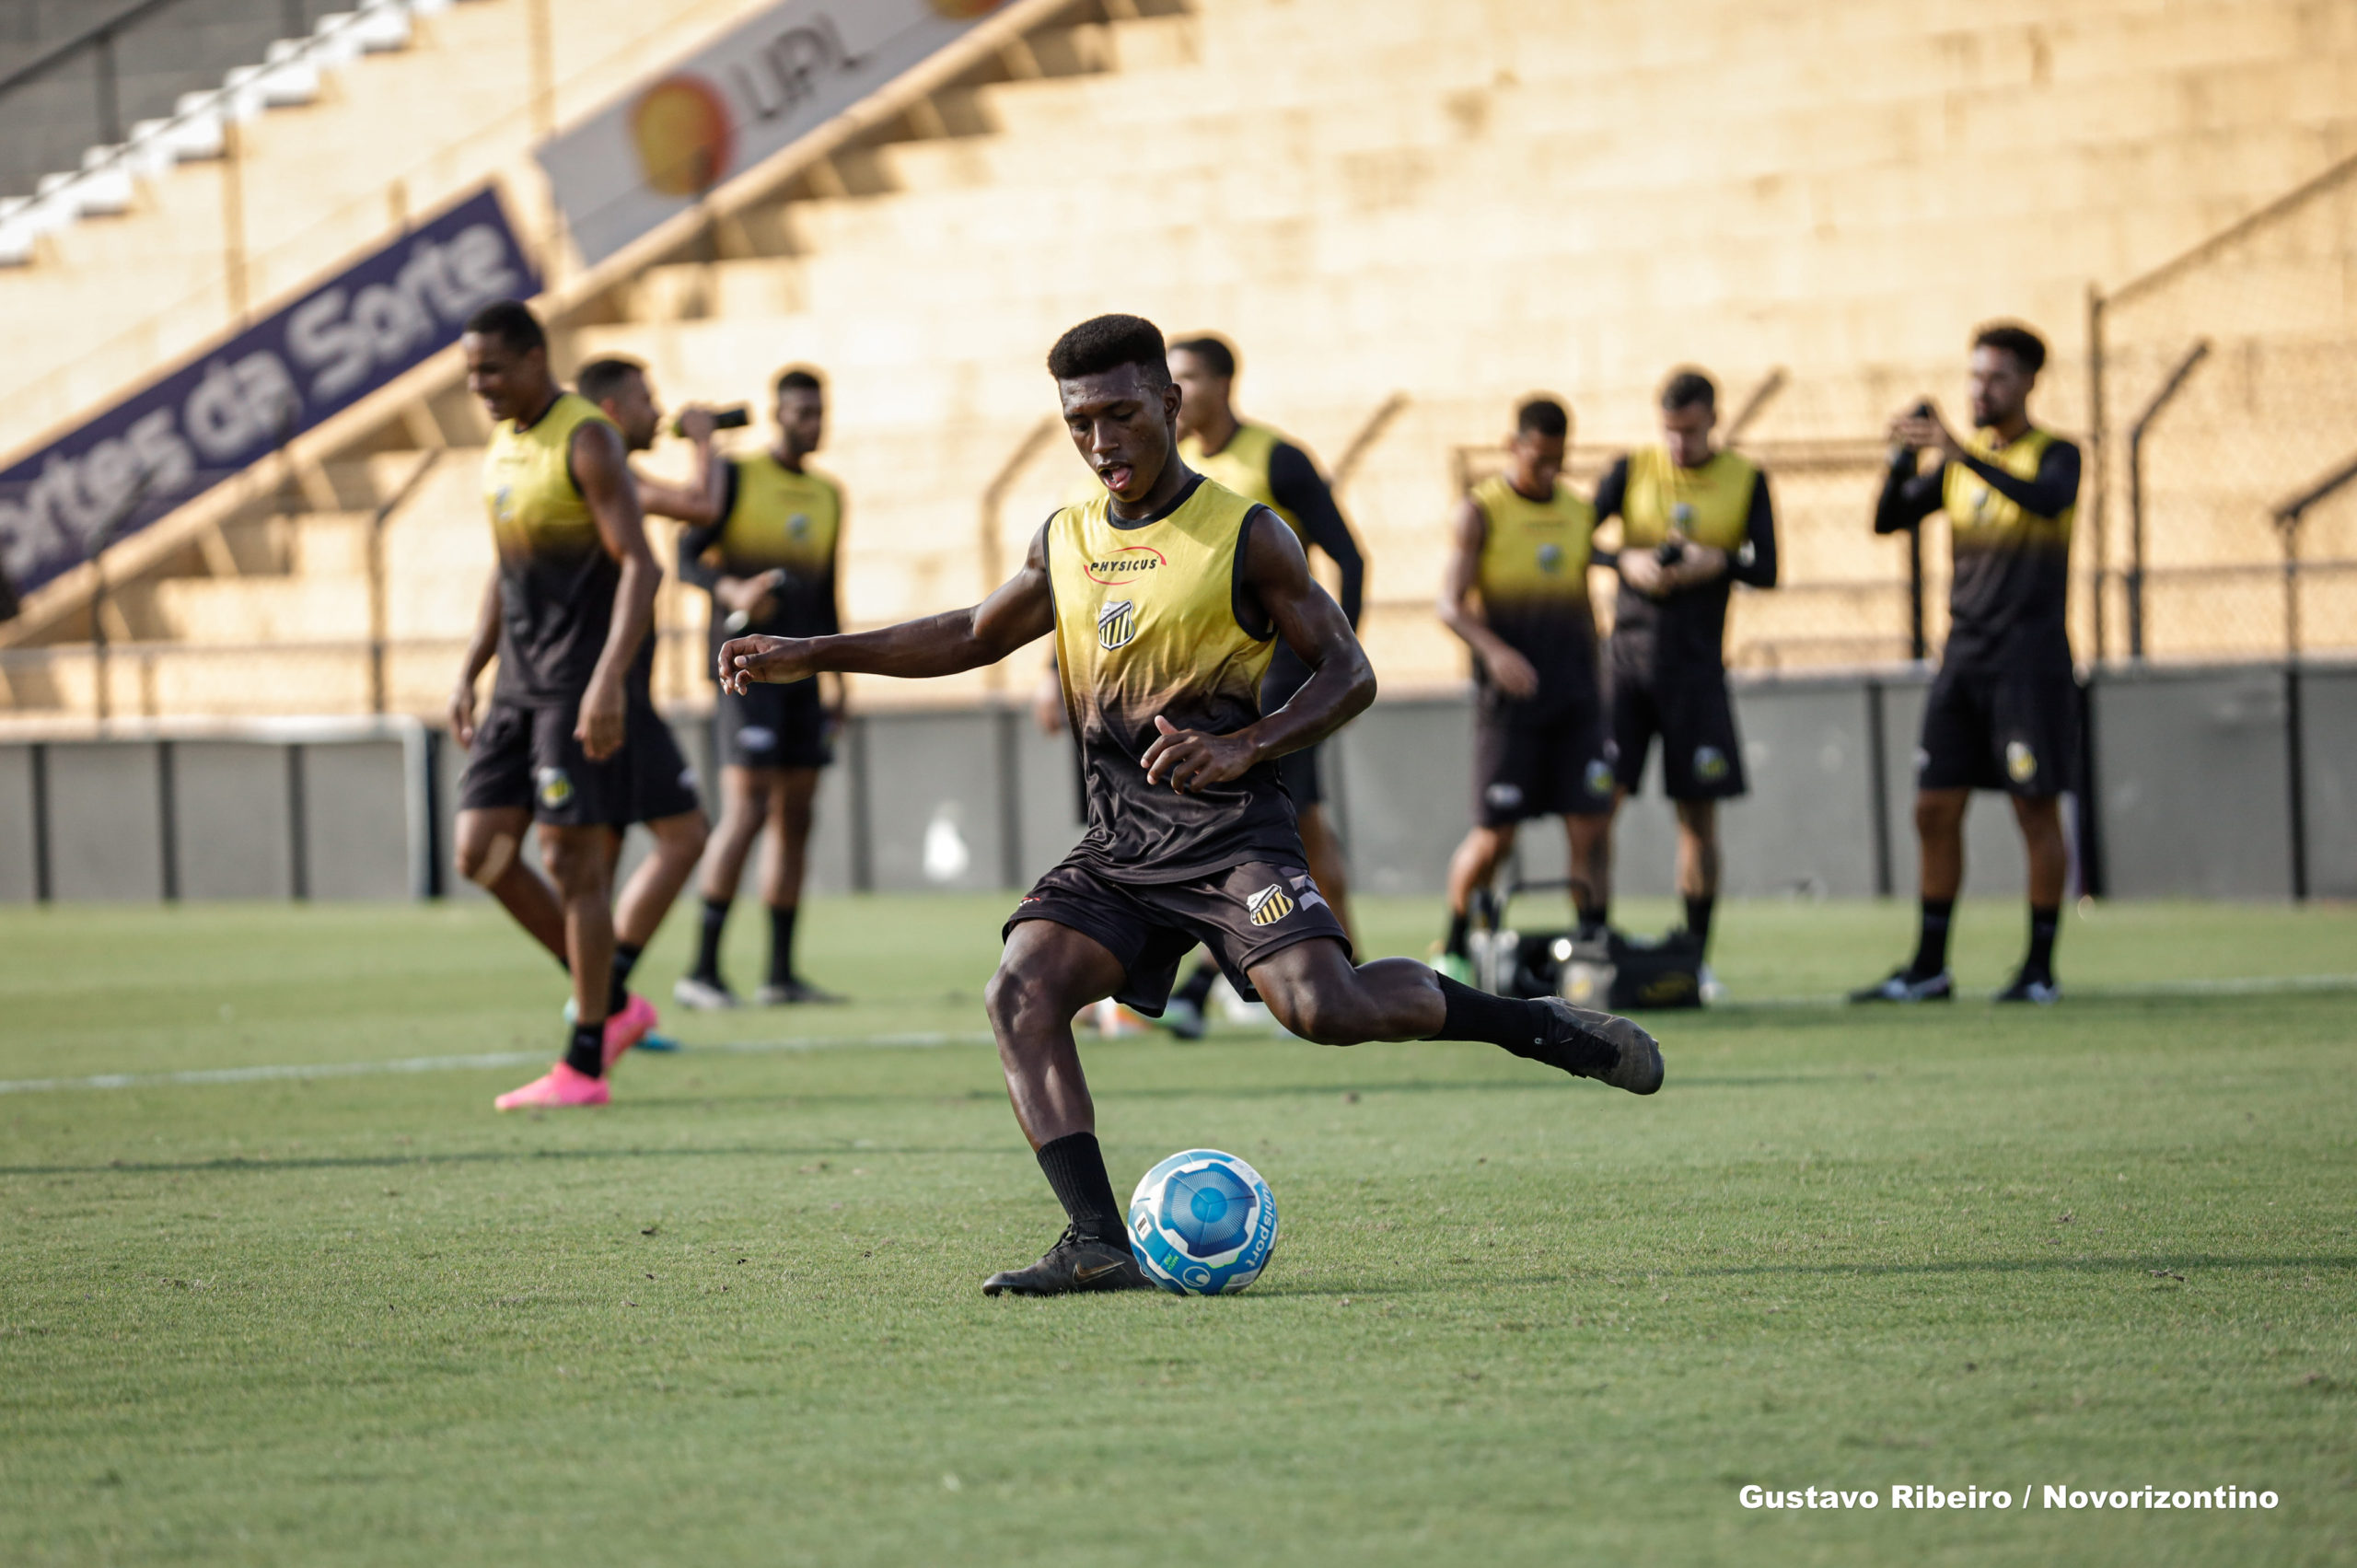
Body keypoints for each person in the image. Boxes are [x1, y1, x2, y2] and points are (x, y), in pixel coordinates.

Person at [717, 314, 1664, 1297]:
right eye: (1080, 424)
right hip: (1123, 845)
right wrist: (809, 651)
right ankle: (1093, 1238)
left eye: (1121, 414)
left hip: (1230, 837)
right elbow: (969, 631)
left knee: (1323, 1008)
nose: (1101, 443)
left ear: (1169, 404)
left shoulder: (1245, 533)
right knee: (1020, 990)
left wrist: (1244, 743)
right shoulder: (1068, 536)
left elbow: (1351, 672)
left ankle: (1533, 1024)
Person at [447, 302, 706, 1111]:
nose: (480, 386)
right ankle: (610, 1000)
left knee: (574, 862)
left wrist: (604, 681)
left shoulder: (585, 439)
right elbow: (506, 569)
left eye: (491, 369)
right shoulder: (502, 447)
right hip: (517, 687)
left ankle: (584, 1060)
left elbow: (641, 567)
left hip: (573, 687)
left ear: (533, 359)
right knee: (480, 851)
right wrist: (471, 666)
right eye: (471, 373)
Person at [1852, 322, 2083, 1005]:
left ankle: (2038, 968)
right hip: (1963, 661)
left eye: (1997, 378)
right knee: (1932, 808)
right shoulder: (1960, 463)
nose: (1982, 390)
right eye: (1975, 376)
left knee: (2035, 809)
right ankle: (1929, 967)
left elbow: (2047, 500)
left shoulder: (2057, 454)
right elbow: (1889, 518)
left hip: (2029, 664)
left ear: (2029, 383)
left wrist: (1959, 453)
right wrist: (1902, 457)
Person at [1161, 332, 1367, 1039]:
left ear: (1222, 382)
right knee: (1276, 819)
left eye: (1185, 375)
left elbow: (1349, 556)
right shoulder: (1173, 469)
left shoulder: (1275, 458)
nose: (1175, 390)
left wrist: (1332, 659)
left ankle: (1308, 968)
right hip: (1203, 681)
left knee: (1286, 818)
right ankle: (1321, 964)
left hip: (1277, 676)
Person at [667, 366, 848, 1007]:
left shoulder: (829, 495)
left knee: (796, 819)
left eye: (818, 411)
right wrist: (732, 589)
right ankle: (703, 969)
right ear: (777, 414)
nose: (811, 422)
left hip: (804, 678)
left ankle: (779, 974)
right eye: (800, 411)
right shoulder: (739, 477)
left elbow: (828, 595)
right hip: (746, 675)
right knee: (745, 813)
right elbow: (686, 557)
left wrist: (840, 685)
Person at [1591, 368, 1778, 981]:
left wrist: (1717, 561)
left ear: (1713, 420)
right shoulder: (1631, 469)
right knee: (1598, 806)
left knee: (1697, 818)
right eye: (1670, 431)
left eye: (1691, 432)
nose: (1679, 445)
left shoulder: (1746, 480)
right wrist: (1627, 559)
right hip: (1626, 669)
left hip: (1697, 673)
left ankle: (1696, 957)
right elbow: (1577, 541)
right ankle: (1595, 944)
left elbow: (1768, 568)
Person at [1434, 397, 1613, 979]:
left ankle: (1591, 945)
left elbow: (1584, 603)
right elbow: (1451, 605)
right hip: (1509, 706)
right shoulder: (1481, 511)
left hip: (1576, 699)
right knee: (1494, 837)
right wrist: (1497, 652)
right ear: (1516, 447)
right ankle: (1455, 946)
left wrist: (1598, 674)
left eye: (1559, 460)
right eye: (1539, 459)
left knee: (1589, 826)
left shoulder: (1578, 512)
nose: (1549, 472)